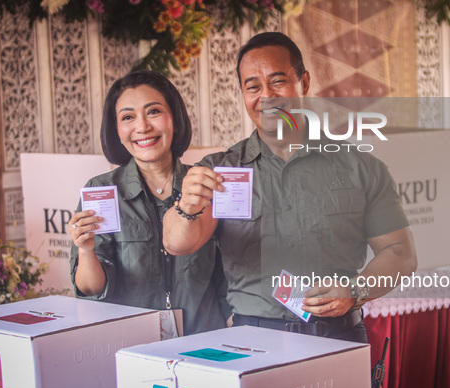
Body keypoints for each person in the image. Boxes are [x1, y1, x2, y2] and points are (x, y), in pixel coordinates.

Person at [163, 32, 417, 343]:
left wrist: (355, 291)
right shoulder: (219, 171)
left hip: (339, 337)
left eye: (278, 81)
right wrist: (186, 207)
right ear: (243, 94)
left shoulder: (361, 168)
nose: (266, 96)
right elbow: (177, 244)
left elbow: (400, 252)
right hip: (254, 340)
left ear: (304, 83)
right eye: (253, 86)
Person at [68, 70, 229, 335]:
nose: (142, 127)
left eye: (153, 112)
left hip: (206, 344)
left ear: (174, 119)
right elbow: (91, 290)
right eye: (128, 117)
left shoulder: (204, 185)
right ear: (117, 130)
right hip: (133, 346)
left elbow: (228, 275)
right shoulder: (102, 190)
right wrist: (85, 250)